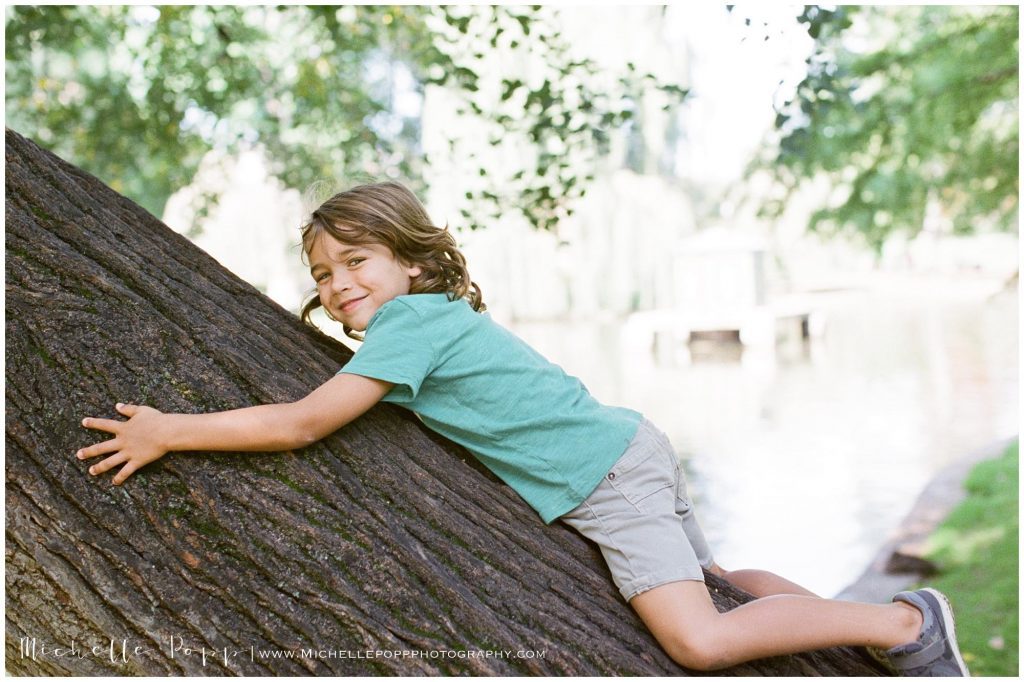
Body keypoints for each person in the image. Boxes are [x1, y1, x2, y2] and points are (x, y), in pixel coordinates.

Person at [76, 181, 969, 676]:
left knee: (698, 640)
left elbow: (304, 425)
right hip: (622, 453)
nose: (341, 283)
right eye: (324, 271)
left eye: (359, 261)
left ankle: (901, 625)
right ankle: (866, 631)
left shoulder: (410, 324)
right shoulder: (412, 333)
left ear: (415, 263)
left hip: (607, 481)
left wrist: (171, 431)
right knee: (725, 583)